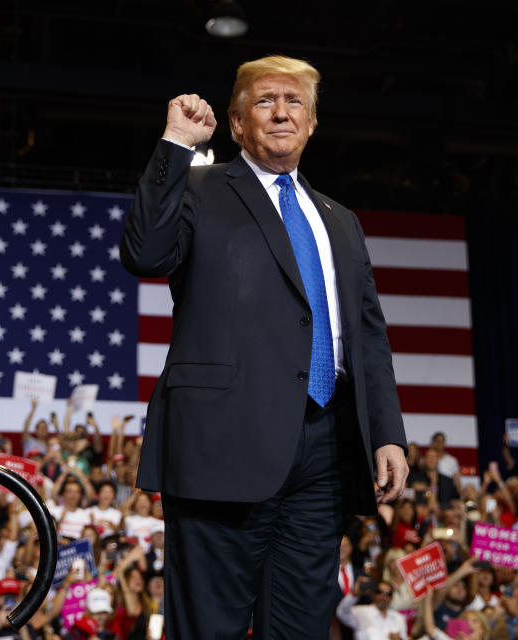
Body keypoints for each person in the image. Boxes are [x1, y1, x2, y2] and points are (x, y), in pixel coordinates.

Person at [119, 54, 409, 638]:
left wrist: (386, 433)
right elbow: (144, 254)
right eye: (265, 101)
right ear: (236, 123)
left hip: (325, 456)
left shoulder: (340, 219)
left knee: (301, 627)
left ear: (312, 121)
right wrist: (176, 143)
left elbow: (367, 338)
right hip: (221, 445)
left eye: (295, 101)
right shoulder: (200, 187)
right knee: (209, 626)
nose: (282, 112)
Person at [335, 576, 407, 640]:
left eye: (388, 594)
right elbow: (341, 613)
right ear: (373, 594)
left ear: (391, 598)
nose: (383, 597)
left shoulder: (399, 618)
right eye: (379, 592)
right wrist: (353, 594)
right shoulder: (361, 612)